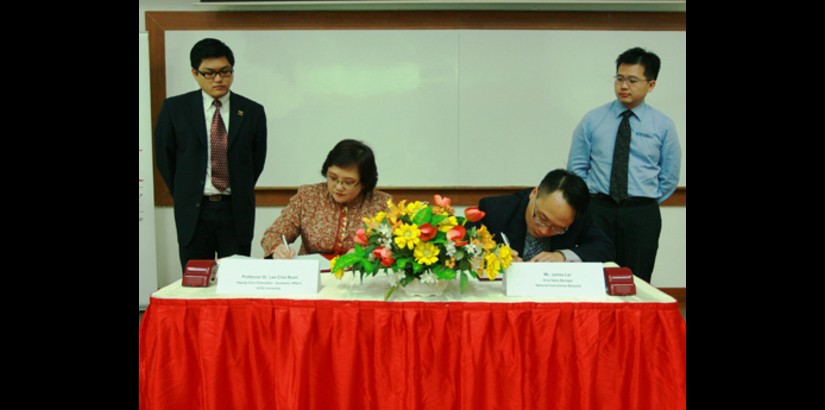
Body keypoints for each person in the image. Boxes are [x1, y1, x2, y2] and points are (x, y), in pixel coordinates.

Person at [567, 47, 681, 282]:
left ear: (651, 85)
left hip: (641, 214)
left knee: (636, 281)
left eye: (632, 80)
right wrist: (591, 198)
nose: (623, 86)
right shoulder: (593, 119)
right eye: (619, 79)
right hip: (597, 210)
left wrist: (642, 200)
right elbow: (576, 168)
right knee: (593, 279)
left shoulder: (663, 125)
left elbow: (669, 176)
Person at [155, 38, 267, 271]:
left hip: (235, 210)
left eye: (225, 71)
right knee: (196, 282)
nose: (218, 79)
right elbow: (166, 160)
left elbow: (256, 160)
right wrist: (187, 191)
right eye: (210, 73)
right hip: (194, 211)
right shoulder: (175, 109)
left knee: (236, 281)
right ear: (195, 73)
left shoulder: (252, 111)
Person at [261, 139, 391, 259]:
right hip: (314, 275)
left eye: (348, 182)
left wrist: (369, 253)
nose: (339, 187)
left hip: (358, 278)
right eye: (333, 178)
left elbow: (394, 246)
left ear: (364, 182)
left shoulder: (381, 204)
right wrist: (277, 248)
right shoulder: (308, 196)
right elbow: (273, 234)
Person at [468, 169, 614, 263]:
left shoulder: (574, 216)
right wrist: (492, 255)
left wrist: (562, 256)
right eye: (542, 218)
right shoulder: (495, 209)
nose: (544, 231)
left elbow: (605, 248)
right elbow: (462, 244)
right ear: (534, 193)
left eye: (557, 228)